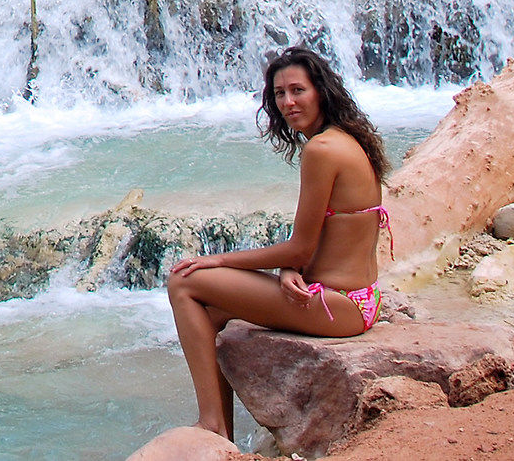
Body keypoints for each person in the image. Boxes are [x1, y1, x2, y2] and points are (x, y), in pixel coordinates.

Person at [166, 47, 391, 441]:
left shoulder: (321, 151)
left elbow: (300, 248)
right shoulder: (345, 139)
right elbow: (316, 241)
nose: (288, 102)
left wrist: (218, 260)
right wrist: (289, 269)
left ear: (321, 91)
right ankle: (222, 435)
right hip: (358, 300)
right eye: (279, 94)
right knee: (211, 310)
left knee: (184, 282)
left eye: (297, 90)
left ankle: (212, 425)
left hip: (338, 305)